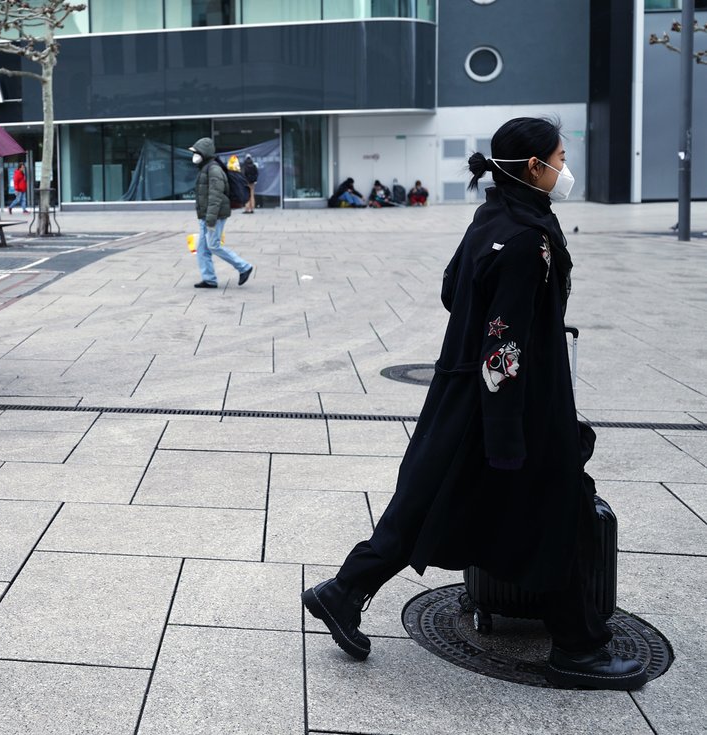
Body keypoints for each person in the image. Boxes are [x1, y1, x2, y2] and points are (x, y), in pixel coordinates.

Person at [301, 117, 648, 691]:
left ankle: (342, 592)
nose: (566, 169)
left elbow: (450, 290)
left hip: (462, 394)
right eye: (560, 158)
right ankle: (577, 648)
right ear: (534, 167)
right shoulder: (522, 237)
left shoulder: (495, 216)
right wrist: (510, 435)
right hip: (513, 404)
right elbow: (503, 344)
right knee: (559, 509)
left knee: (427, 499)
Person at [188, 137, 254, 289]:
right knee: (202, 250)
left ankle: (244, 267)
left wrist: (210, 218)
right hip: (206, 215)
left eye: (196, 152)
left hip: (215, 215)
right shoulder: (206, 168)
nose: (194, 156)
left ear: (204, 153)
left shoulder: (213, 169)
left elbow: (215, 195)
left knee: (213, 245)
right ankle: (209, 279)